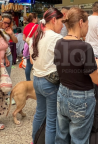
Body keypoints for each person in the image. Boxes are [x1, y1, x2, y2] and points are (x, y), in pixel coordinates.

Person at [54, 7, 98, 144]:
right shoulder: (85, 47)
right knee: (79, 140)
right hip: (81, 99)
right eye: (87, 25)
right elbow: (96, 78)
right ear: (81, 22)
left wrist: (96, 62)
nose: (87, 28)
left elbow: (69, 66)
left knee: (61, 137)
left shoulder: (59, 43)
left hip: (62, 93)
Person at [29, 8, 63, 144]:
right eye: (61, 22)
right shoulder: (56, 38)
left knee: (39, 114)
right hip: (50, 83)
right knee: (51, 120)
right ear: (54, 20)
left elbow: (32, 59)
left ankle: (34, 141)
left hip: (36, 80)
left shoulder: (36, 36)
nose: (62, 26)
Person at [23, 12, 38, 81]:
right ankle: (36, 80)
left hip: (27, 47)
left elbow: (24, 38)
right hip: (35, 47)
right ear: (34, 19)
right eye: (36, 18)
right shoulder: (37, 26)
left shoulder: (26, 27)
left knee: (28, 65)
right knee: (36, 65)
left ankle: (28, 80)